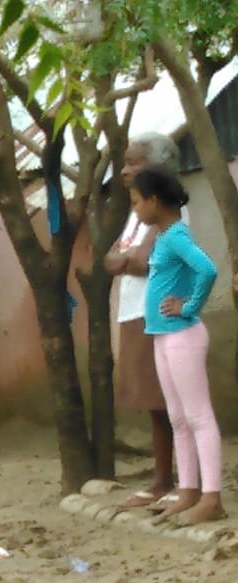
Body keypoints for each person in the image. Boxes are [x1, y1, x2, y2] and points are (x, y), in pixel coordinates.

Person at [131, 167, 222, 526]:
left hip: (182, 334)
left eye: (137, 202)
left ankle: (211, 497)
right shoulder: (165, 236)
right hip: (164, 336)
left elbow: (208, 269)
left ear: (154, 201)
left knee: (198, 416)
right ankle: (188, 491)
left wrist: (189, 306)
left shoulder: (175, 236)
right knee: (179, 418)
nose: (135, 209)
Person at [104, 134, 185, 510]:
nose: (123, 171)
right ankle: (162, 480)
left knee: (171, 402)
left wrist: (127, 259)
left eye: (133, 163)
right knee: (154, 402)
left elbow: (140, 262)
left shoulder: (169, 210)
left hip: (157, 313)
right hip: (134, 311)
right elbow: (111, 260)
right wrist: (127, 258)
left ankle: (179, 482)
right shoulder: (137, 213)